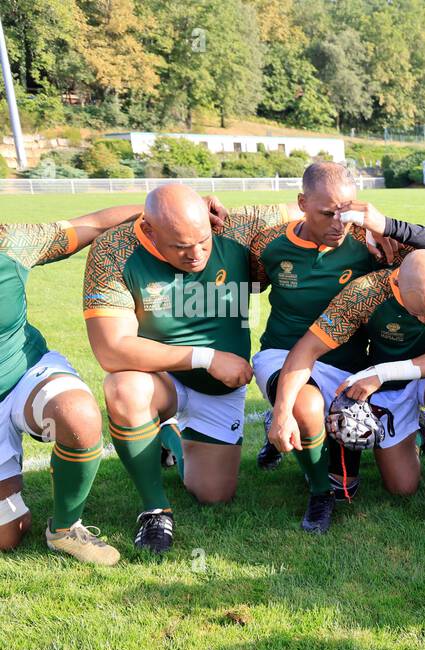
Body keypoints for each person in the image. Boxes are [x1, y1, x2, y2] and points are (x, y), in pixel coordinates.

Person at [248, 160, 425, 529]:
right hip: (287, 352)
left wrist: (387, 226)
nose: (339, 223)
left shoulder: (369, 242)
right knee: (305, 405)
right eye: (328, 213)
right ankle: (320, 495)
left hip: (349, 363)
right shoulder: (269, 243)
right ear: (302, 203)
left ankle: (399, 427)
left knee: (402, 486)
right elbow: (247, 285)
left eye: (346, 212)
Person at [82, 185, 287, 553]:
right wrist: (206, 357)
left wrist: (376, 236)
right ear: (149, 231)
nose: (196, 255)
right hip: (158, 376)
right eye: (180, 246)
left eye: (203, 242)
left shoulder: (234, 227)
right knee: (124, 388)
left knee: (214, 495)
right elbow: (112, 350)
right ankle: (155, 509)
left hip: (218, 387)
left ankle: (169, 435)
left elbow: (314, 209)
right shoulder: (114, 251)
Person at [268, 250, 425, 524]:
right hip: (387, 388)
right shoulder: (364, 294)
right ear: (397, 286)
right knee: (403, 487)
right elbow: (306, 350)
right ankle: (417, 429)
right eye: (417, 311)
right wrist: (282, 412)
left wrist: (382, 372)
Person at [1, 206, 155, 564]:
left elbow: (93, 224)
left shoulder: (13, 242)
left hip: (24, 371)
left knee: (77, 414)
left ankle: (66, 529)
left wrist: (162, 208)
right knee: (8, 535)